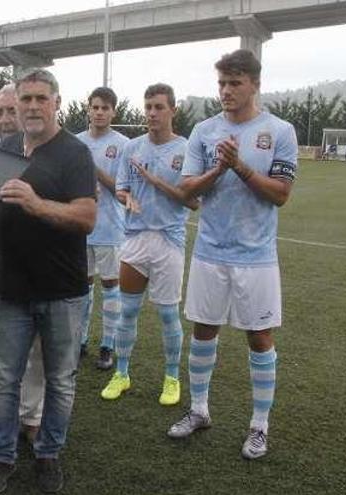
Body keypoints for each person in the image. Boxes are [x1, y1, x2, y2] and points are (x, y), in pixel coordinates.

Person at [168, 49, 298, 460]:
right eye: (221, 83)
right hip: (209, 251)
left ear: (255, 84)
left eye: (235, 83)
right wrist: (218, 170)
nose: (226, 91)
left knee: (259, 337)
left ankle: (259, 426)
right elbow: (187, 189)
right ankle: (199, 409)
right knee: (203, 330)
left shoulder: (279, 131)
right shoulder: (204, 131)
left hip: (256, 257)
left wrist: (240, 166)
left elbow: (280, 195)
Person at [0, 69, 96, 495]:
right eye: (24, 99)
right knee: (3, 377)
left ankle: (48, 454)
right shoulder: (6, 148)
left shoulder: (74, 154)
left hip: (62, 290)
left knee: (60, 379)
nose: (30, 107)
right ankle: (1, 456)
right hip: (11, 286)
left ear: (56, 102)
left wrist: (36, 204)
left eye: (39, 99)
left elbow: (86, 217)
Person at [99, 83, 198, 407]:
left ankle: (171, 378)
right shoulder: (133, 148)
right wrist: (127, 199)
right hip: (136, 239)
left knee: (169, 315)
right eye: (148, 107)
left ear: (173, 110)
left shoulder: (186, 150)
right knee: (128, 312)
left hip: (169, 241)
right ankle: (122, 373)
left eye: (158, 107)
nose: (152, 113)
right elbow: (122, 189)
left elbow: (193, 201)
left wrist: (156, 182)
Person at [0, 84, 45, 450]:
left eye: (10, 111)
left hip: (34, 264)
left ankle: (31, 417)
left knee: (34, 348)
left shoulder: (47, 155)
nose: (4, 119)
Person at [75, 87, 129, 370]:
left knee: (110, 285)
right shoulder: (76, 142)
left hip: (110, 227)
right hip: (81, 227)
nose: (99, 112)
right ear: (88, 109)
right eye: (95, 107)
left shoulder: (122, 144)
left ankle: (107, 345)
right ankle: (80, 340)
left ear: (113, 112)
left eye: (104, 108)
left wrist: (93, 170)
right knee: (81, 286)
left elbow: (123, 190)